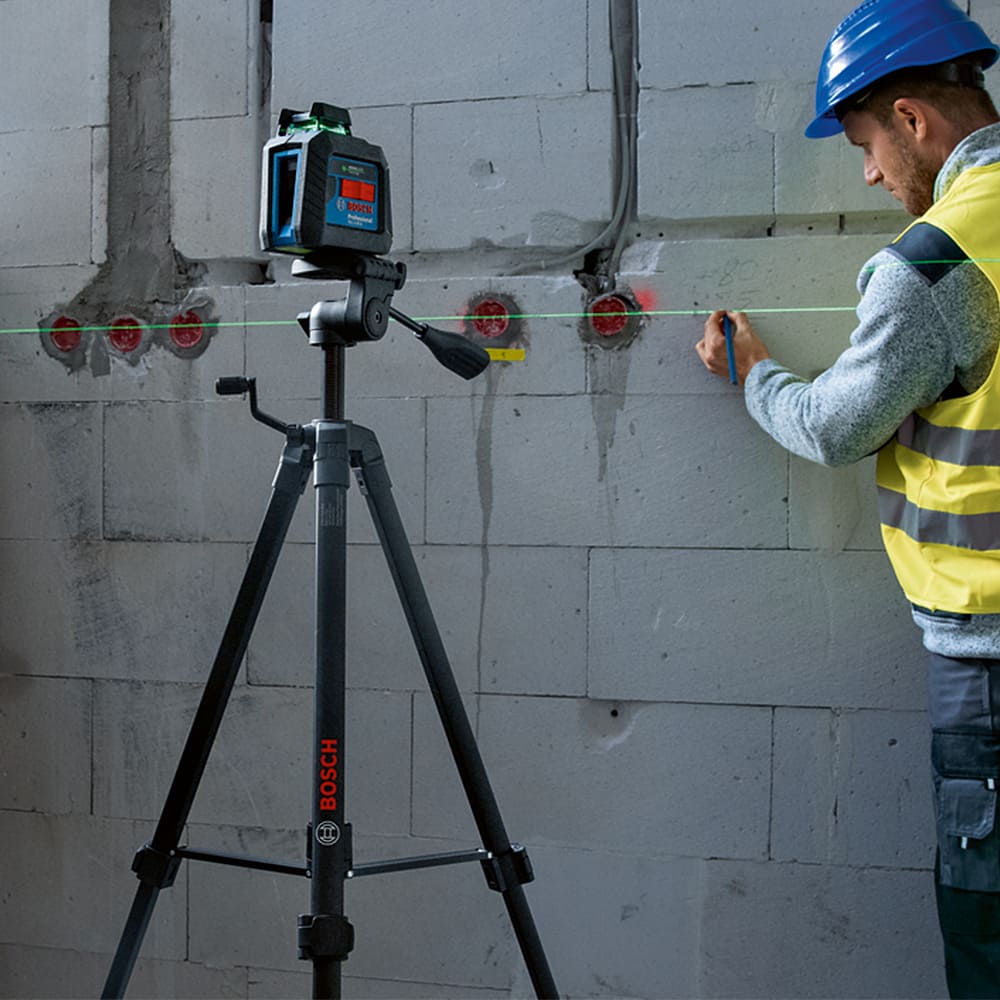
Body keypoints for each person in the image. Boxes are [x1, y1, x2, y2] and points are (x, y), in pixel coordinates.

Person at [695, 0, 1000, 995]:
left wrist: (752, 375)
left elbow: (835, 424)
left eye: (866, 142)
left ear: (911, 118)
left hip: (986, 658)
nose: (869, 173)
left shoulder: (934, 261)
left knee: (988, 928)